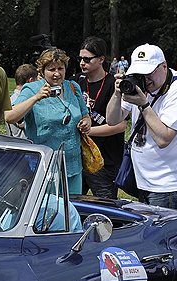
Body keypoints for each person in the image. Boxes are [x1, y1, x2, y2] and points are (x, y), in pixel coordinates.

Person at [106, 44, 177, 211]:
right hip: (144, 180)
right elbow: (112, 119)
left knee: (163, 236)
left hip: (169, 186)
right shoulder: (139, 85)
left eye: (149, 72)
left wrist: (143, 105)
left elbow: (164, 138)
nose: (145, 78)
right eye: (140, 72)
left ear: (163, 66)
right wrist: (117, 93)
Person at [7, 47, 91, 195]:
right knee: (49, 211)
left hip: (73, 166)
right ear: (42, 71)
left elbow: (85, 114)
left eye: (61, 68)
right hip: (45, 168)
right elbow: (10, 116)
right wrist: (36, 98)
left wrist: (86, 122)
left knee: (72, 211)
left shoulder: (72, 87)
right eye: (51, 69)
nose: (57, 73)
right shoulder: (32, 89)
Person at [77, 36, 126, 199]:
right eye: (80, 58)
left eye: (87, 59)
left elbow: (120, 125)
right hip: (79, 159)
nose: (82, 63)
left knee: (107, 208)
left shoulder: (114, 84)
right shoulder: (77, 82)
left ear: (101, 59)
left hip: (106, 161)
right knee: (72, 207)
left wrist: (88, 131)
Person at [8, 64, 38, 138]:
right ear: (31, 81)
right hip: (23, 145)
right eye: (37, 81)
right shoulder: (20, 101)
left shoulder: (11, 98)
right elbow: (22, 124)